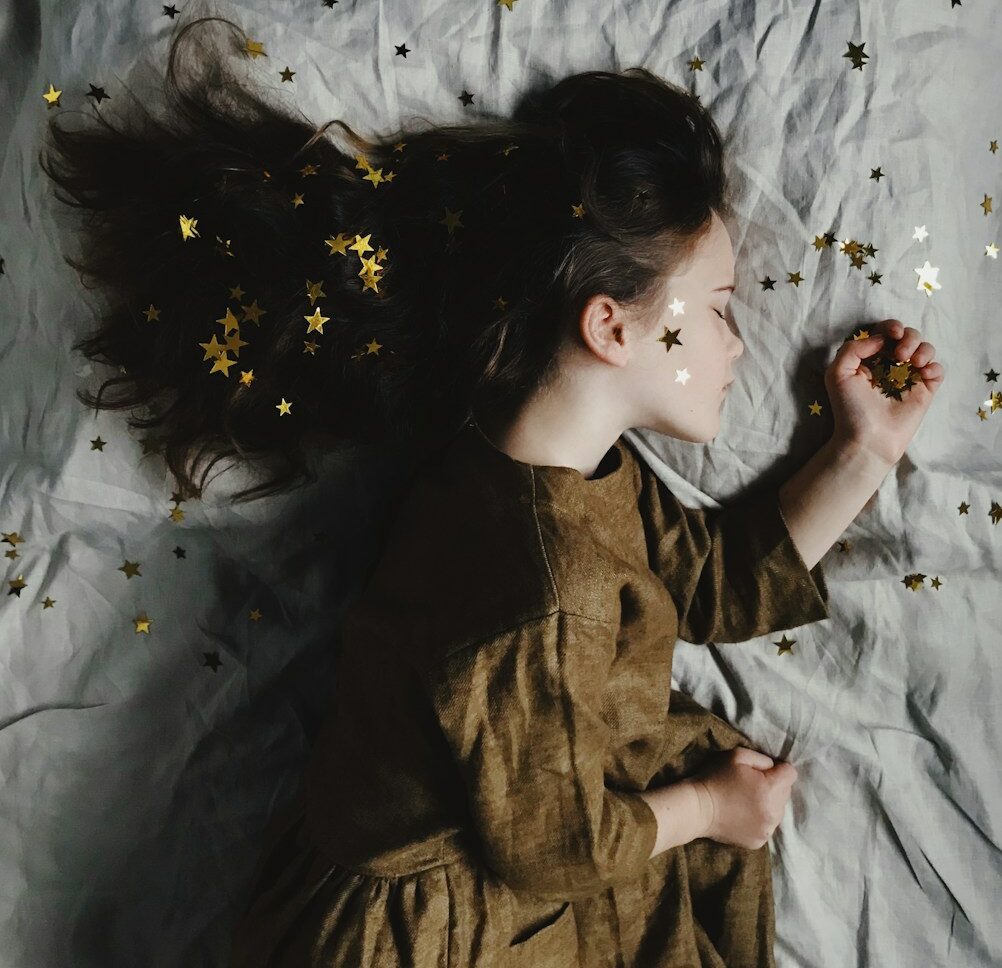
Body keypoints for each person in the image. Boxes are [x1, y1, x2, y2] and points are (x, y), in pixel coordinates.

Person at [38, 13, 945, 967]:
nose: (739, 347)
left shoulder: (548, 465)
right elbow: (558, 846)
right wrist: (715, 808)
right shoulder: (536, 585)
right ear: (611, 327)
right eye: (718, 313)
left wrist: (862, 449)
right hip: (431, 932)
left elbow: (710, 581)